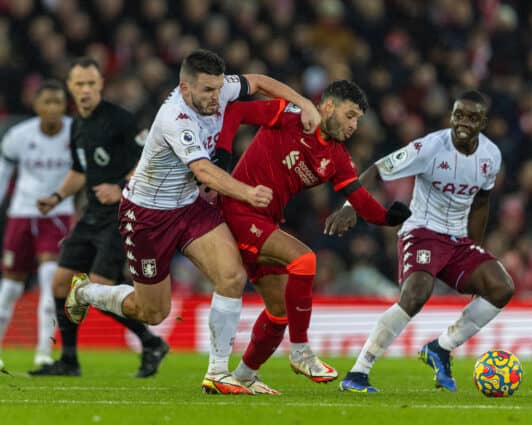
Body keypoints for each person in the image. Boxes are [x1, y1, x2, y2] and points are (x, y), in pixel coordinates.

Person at [64, 49, 323, 394]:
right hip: (147, 216)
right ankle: (86, 292)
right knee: (152, 311)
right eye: (206, 91)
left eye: (218, 89)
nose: (216, 98)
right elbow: (201, 170)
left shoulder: (221, 89)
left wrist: (303, 101)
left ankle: (217, 372)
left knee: (231, 276)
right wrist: (247, 193)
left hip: (188, 207)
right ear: (185, 89)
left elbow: (259, 82)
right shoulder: (175, 116)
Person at [213, 80, 411, 394]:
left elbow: (360, 200)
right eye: (350, 115)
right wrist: (220, 161)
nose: (354, 125)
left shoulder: (337, 158)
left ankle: (243, 375)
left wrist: (388, 218)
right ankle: (301, 350)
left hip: (265, 220)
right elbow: (236, 110)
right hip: (238, 208)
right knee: (304, 259)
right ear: (328, 106)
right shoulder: (290, 115)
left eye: (357, 119)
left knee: (278, 313)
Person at [324, 90, 515, 393]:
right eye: (458, 115)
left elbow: (482, 201)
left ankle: (441, 347)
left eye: (471, 117)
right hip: (423, 231)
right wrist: (350, 207)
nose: (463, 122)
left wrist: (475, 246)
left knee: (502, 287)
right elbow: (377, 169)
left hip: (458, 241)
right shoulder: (430, 147)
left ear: (483, 121)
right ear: (452, 116)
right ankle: (358, 372)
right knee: (416, 294)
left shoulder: (491, 156)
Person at [30, 58, 168, 378]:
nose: (86, 90)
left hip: (121, 216)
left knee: (100, 286)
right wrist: (56, 198)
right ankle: (69, 360)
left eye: (91, 83)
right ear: (70, 88)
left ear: (101, 84)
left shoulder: (120, 119)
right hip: (92, 214)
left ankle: (150, 342)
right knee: (61, 282)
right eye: (80, 84)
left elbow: (149, 161)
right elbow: (80, 171)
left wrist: (122, 187)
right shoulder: (77, 124)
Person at [0, 80, 73, 370]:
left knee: (49, 280)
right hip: (21, 214)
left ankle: (43, 352)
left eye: (59, 102)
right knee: (9, 289)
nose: (54, 108)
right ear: (37, 105)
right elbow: (3, 174)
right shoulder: (18, 136)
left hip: (57, 216)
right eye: (48, 102)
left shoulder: (75, 133)